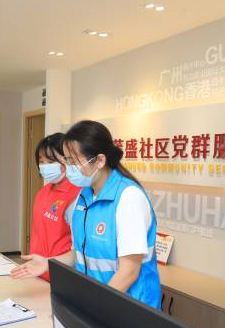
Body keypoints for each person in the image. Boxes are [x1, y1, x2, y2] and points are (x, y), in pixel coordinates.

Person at [11, 120, 161, 309]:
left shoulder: (128, 197)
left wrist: (96, 307)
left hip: (129, 308)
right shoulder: (85, 196)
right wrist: (48, 263)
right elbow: (79, 254)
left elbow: (129, 272)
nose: (69, 168)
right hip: (96, 301)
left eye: (74, 161)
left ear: (100, 160)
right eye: (67, 160)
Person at [26, 133, 80, 281]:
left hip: (63, 275)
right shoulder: (43, 192)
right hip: (37, 273)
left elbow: (79, 248)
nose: (44, 166)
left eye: (50, 161)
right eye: (41, 161)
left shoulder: (77, 195)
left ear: (68, 160)